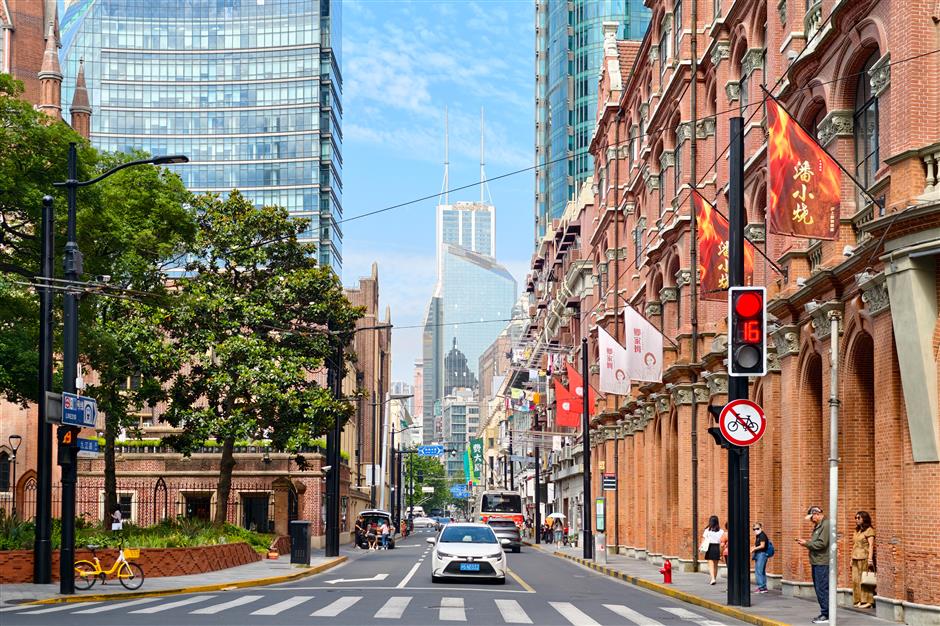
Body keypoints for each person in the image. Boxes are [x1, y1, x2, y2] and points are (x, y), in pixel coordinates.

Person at [797, 505, 831, 624]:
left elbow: (821, 544)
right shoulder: (819, 526)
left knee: (822, 588)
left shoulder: (825, 525)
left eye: (812, 517)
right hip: (817, 561)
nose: (811, 520)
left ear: (817, 514)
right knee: (819, 588)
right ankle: (825, 612)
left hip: (822, 561)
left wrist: (807, 543)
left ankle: (826, 614)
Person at [851, 511, 876, 609]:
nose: (856, 520)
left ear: (864, 519)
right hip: (855, 557)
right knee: (855, 580)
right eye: (856, 518)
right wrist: (850, 558)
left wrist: (870, 559)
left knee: (864, 580)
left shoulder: (869, 530)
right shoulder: (857, 530)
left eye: (858, 518)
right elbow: (854, 545)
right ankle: (859, 600)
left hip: (864, 557)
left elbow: (871, 545)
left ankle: (868, 601)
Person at [701, 515, 724, 585]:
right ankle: (714, 578)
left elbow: (703, 540)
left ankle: (712, 578)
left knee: (710, 564)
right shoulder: (721, 531)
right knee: (716, 565)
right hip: (717, 547)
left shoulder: (707, 530)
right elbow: (721, 541)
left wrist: (701, 547)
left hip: (710, 547)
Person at [750, 522, 771, 593]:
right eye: (754, 529)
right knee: (761, 571)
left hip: (762, 554)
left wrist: (754, 549)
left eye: (757, 528)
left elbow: (762, 545)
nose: (756, 530)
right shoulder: (758, 536)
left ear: (761, 528)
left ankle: (761, 587)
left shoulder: (762, 535)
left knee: (759, 571)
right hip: (760, 554)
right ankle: (763, 587)